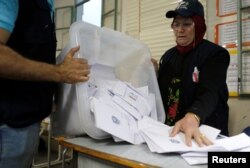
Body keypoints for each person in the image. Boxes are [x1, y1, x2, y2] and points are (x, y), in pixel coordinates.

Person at [0, 0, 90, 168]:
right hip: (9, 123)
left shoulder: (45, 5)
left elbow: (32, 54)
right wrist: (59, 72)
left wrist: (55, 93)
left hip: (26, 121)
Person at [155, 0, 230, 147]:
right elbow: (162, 93)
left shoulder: (215, 54)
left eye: (187, 24)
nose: (180, 30)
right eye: (176, 24)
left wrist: (193, 115)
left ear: (199, 25)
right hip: (173, 134)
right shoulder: (168, 56)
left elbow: (210, 92)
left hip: (205, 133)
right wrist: (151, 72)